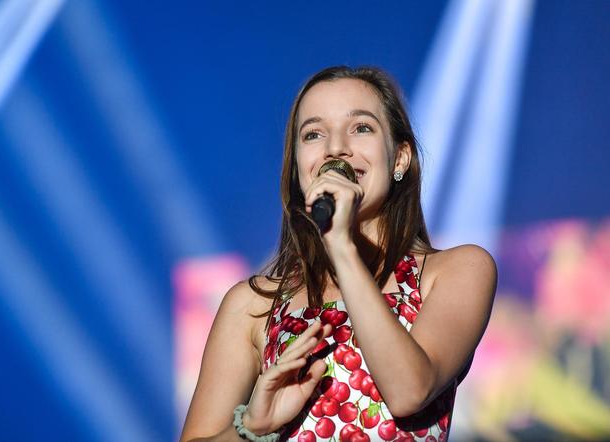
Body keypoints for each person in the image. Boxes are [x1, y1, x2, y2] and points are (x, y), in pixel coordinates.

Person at [180, 65, 497, 441]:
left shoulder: (456, 270)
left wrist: (340, 244)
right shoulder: (252, 304)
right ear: (298, 168)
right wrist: (253, 427)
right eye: (313, 134)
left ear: (400, 158)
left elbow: (410, 391)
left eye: (361, 127)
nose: (335, 148)